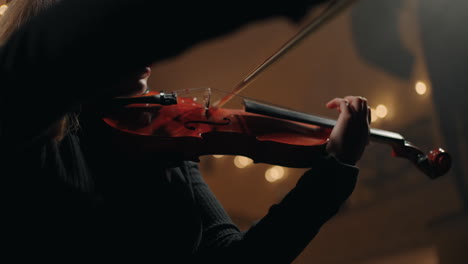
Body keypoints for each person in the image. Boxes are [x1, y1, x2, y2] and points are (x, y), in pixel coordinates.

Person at [0, 0, 370, 262]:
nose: (148, 49)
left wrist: (333, 172)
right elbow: (45, 54)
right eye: (130, 37)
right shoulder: (26, 127)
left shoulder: (163, 141)